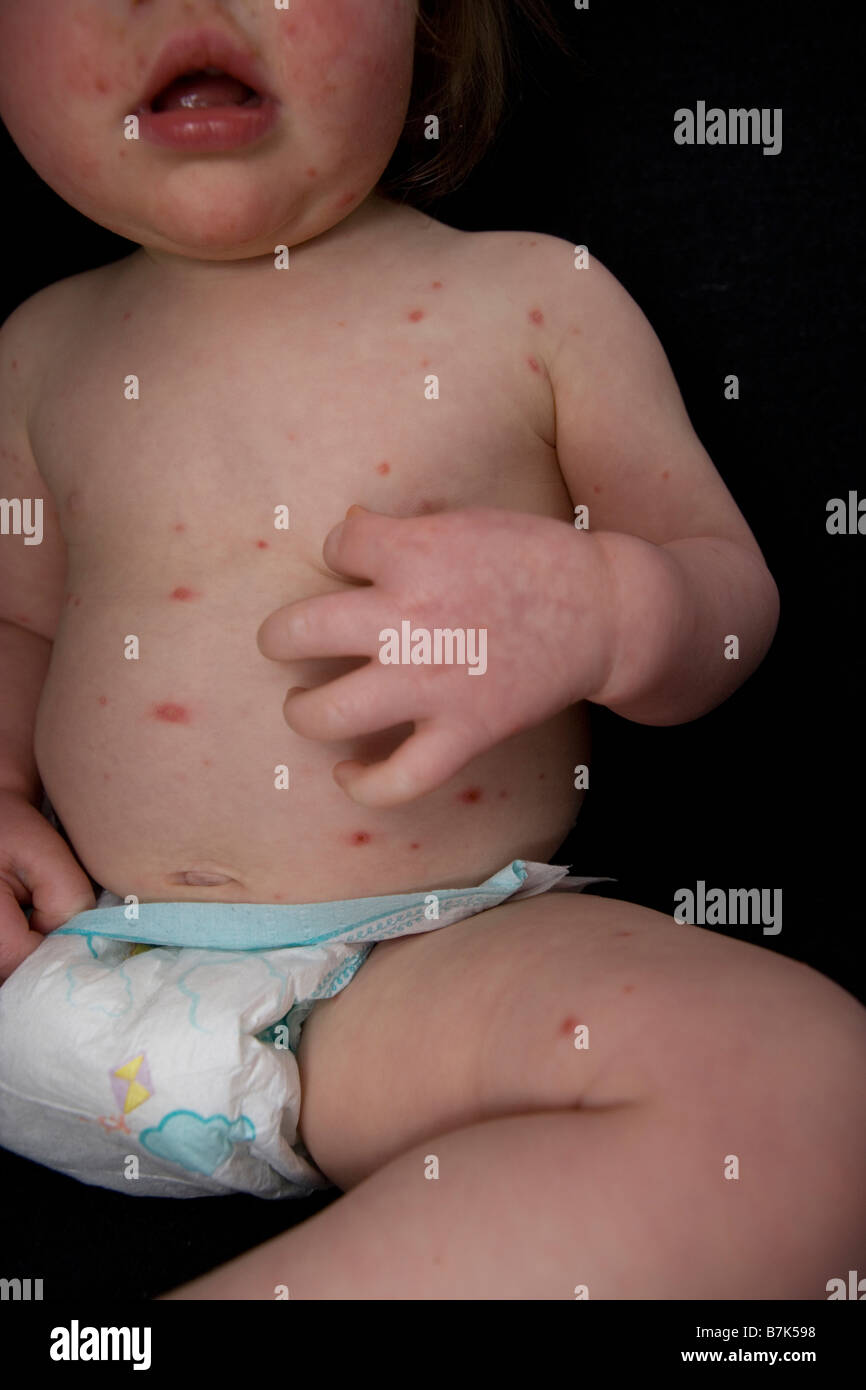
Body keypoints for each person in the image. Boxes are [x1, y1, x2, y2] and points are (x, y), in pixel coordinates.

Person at [0, 0, 862, 1299]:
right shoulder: (33, 350)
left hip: (406, 981)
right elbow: (17, 621)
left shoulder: (529, 300)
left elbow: (729, 603)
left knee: (810, 1101)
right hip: (58, 964)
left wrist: (609, 609)